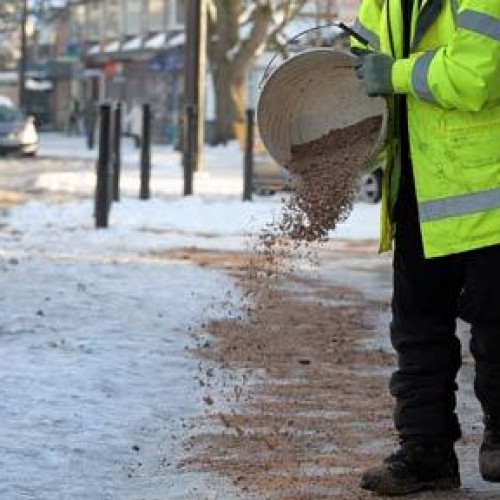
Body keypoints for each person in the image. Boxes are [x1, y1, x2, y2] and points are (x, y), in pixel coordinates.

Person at [352, 0, 500, 496]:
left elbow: (478, 75)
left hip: (490, 189)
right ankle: (425, 452)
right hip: (420, 186)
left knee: (497, 325)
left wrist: (392, 73)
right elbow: (359, 57)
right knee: (417, 330)